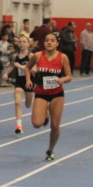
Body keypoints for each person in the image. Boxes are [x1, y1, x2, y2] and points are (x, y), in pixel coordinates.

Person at [26, 33, 72, 161]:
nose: (49, 43)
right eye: (47, 40)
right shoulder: (37, 56)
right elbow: (27, 68)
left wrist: (63, 79)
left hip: (57, 94)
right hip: (41, 92)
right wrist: (28, 80)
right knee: (36, 124)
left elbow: (69, 76)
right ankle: (45, 112)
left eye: (52, 40)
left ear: (57, 43)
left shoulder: (63, 57)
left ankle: (50, 150)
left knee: (55, 126)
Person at [9, 35, 34, 134]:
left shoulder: (31, 56)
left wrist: (21, 66)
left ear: (28, 44)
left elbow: (35, 69)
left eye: (24, 42)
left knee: (28, 105)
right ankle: (19, 126)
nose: (22, 44)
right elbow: (11, 66)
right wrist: (5, 74)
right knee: (17, 103)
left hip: (29, 82)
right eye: (20, 42)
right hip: (19, 81)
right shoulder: (15, 56)